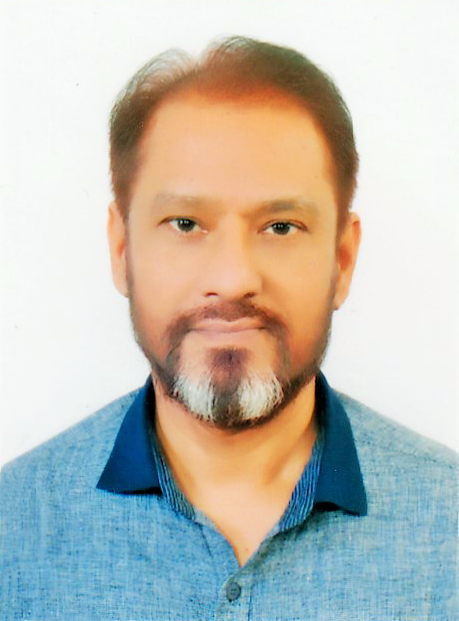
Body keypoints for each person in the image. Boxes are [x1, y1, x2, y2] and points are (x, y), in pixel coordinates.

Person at [0, 35, 457, 621]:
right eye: (185, 223)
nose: (234, 278)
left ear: (342, 260)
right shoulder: (14, 527)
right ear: (122, 250)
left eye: (281, 227)